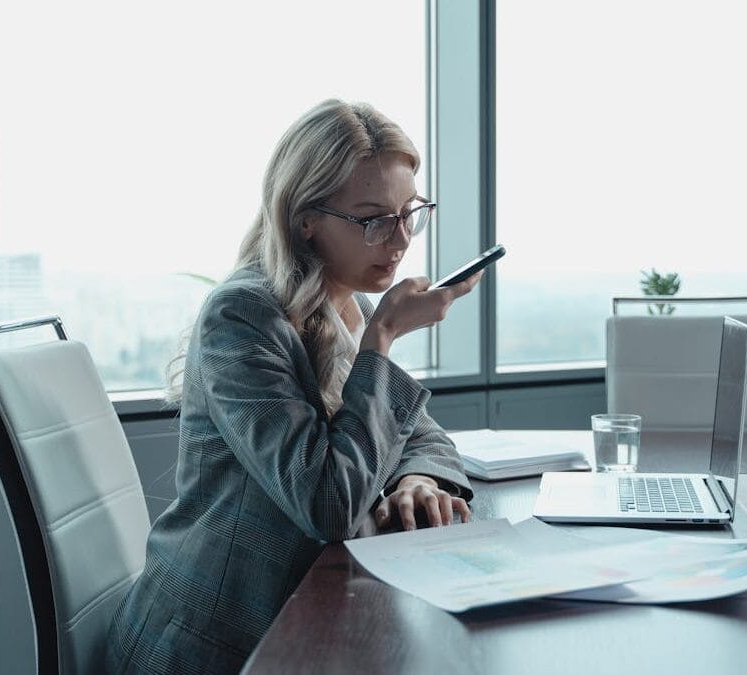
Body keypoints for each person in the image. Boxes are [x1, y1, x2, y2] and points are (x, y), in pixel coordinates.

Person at [105, 99, 481, 673]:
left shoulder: (345, 302)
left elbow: (421, 435)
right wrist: (383, 337)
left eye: (411, 212)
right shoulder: (243, 316)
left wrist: (417, 479)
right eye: (373, 219)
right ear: (305, 218)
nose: (401, 239)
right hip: (218, 639)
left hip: (306, 616)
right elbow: (328, 504)